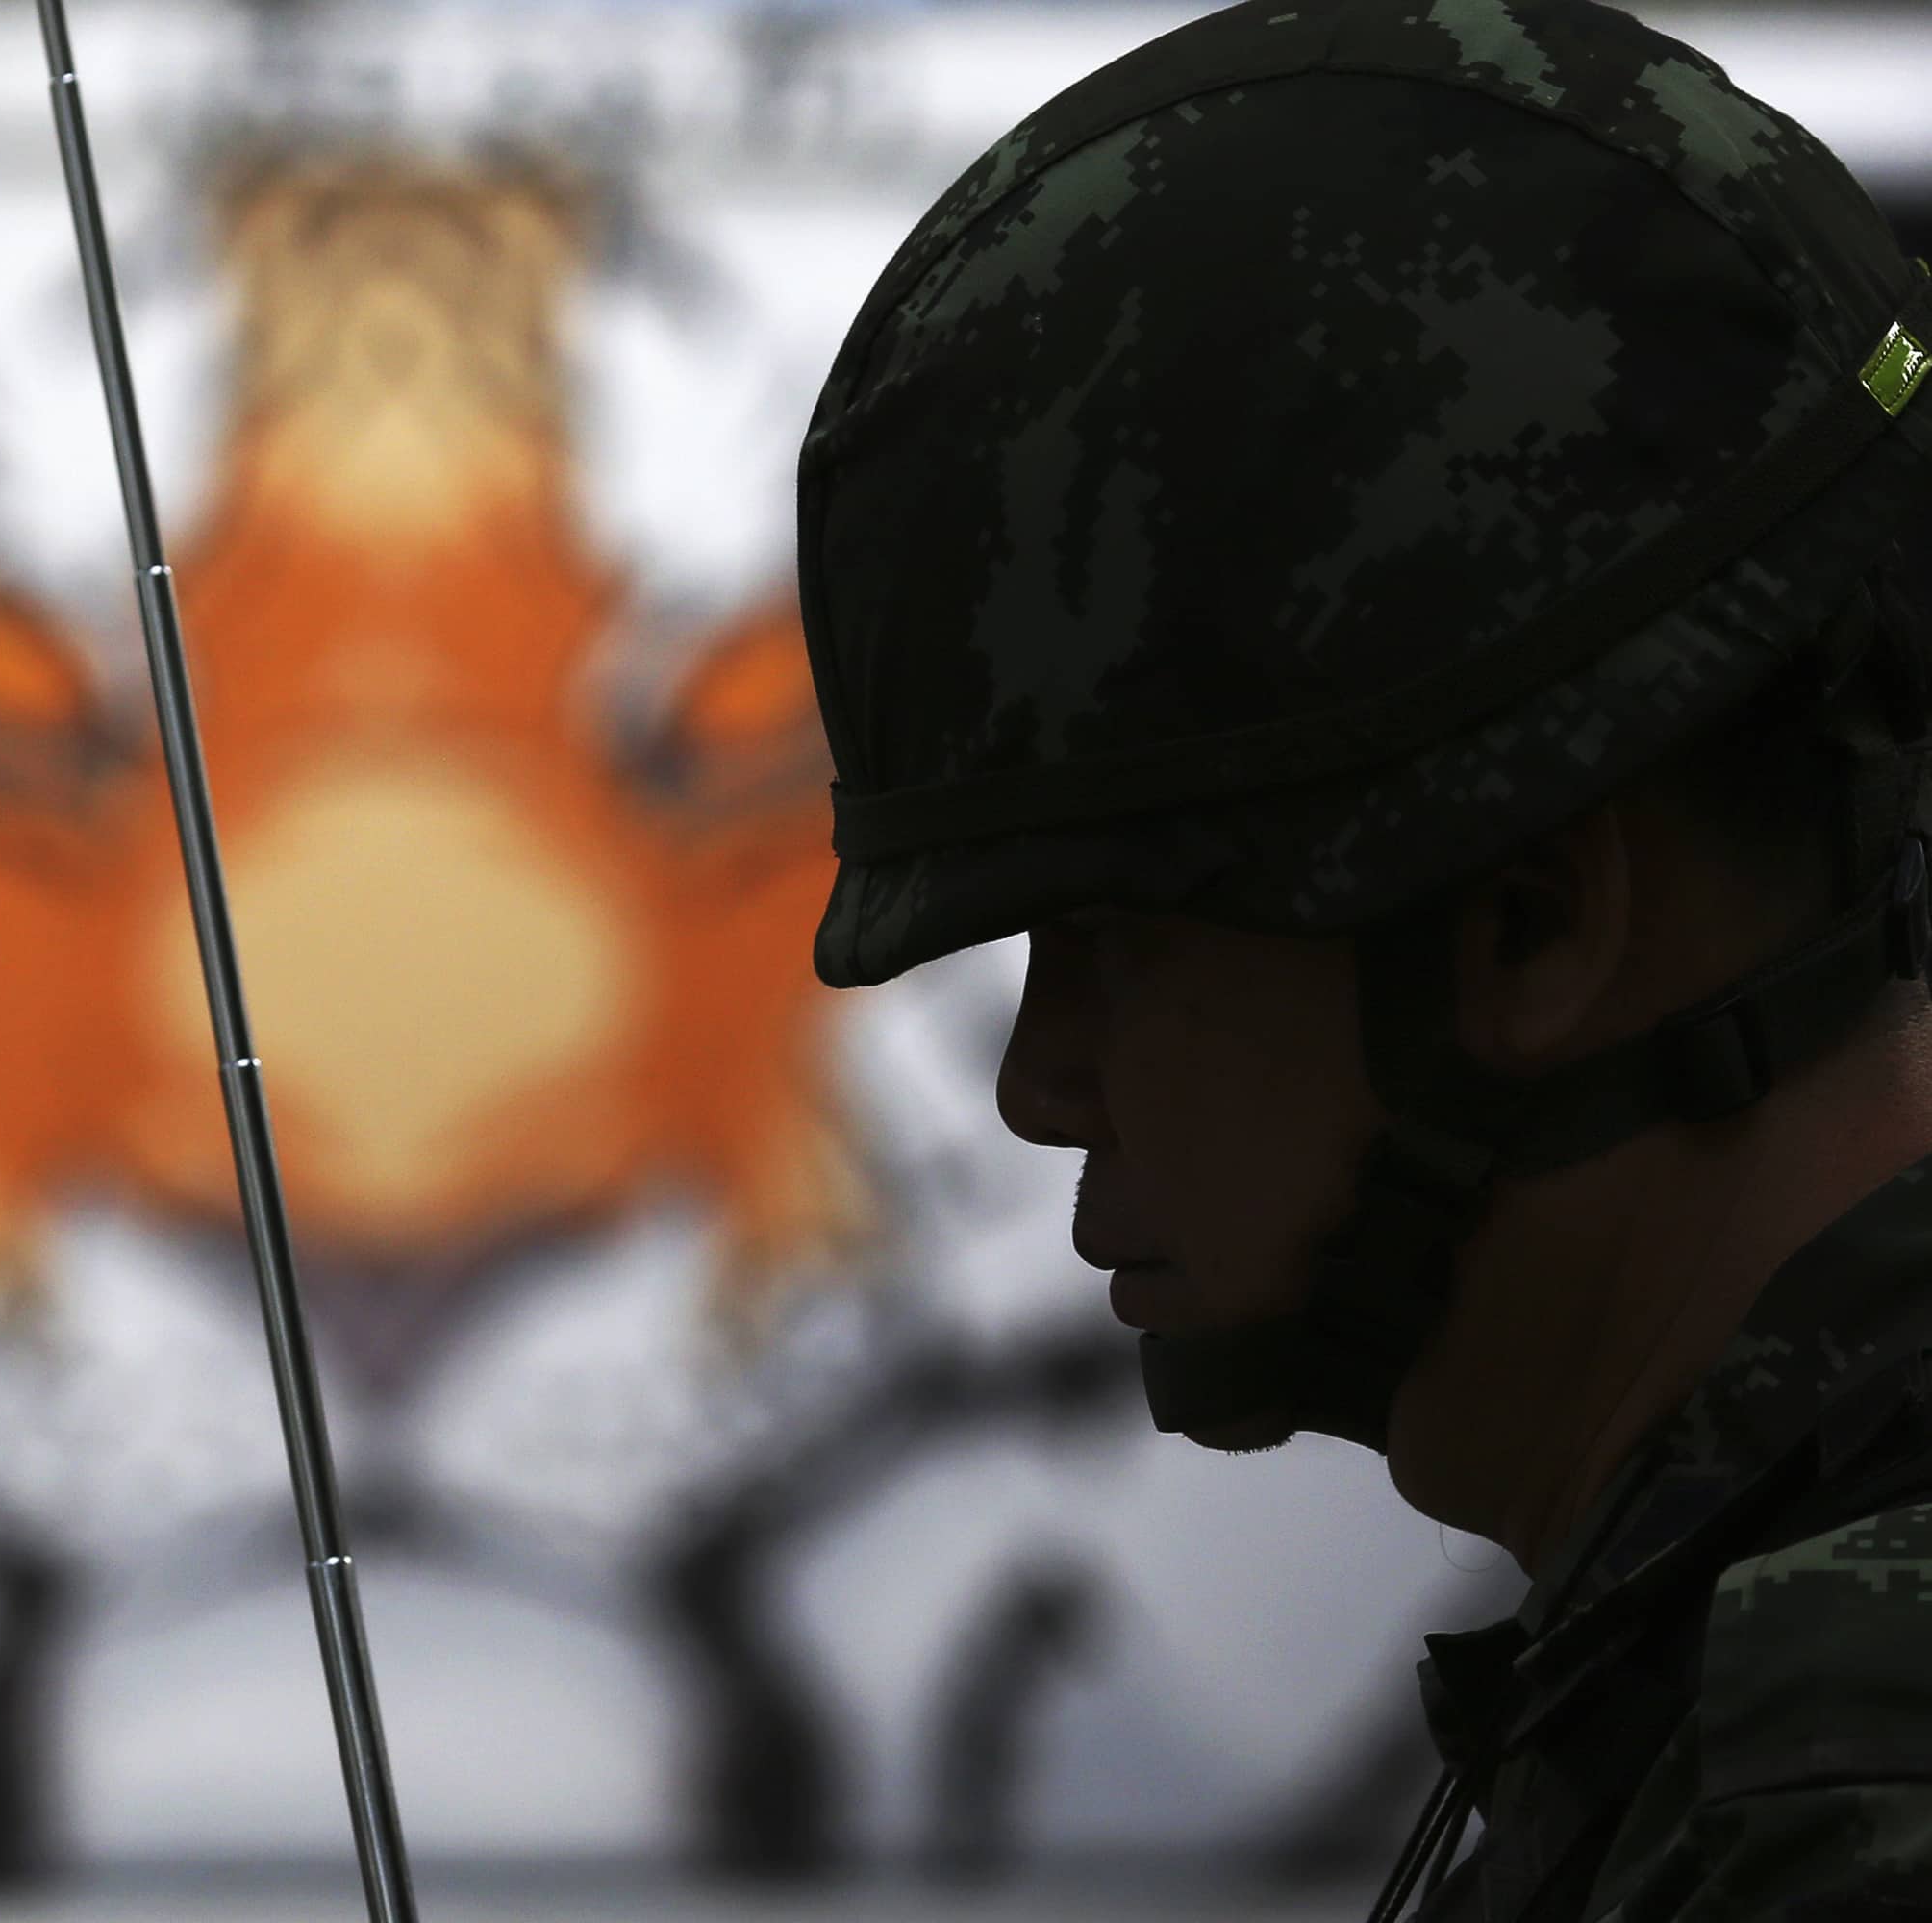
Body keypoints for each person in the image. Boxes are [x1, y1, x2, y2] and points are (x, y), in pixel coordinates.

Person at [792, 0, 1932, 1916]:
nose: (1038, 1080)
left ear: (1532, 923)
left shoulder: (1843, 1780)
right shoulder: (1711, 1634)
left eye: (1119, 938)